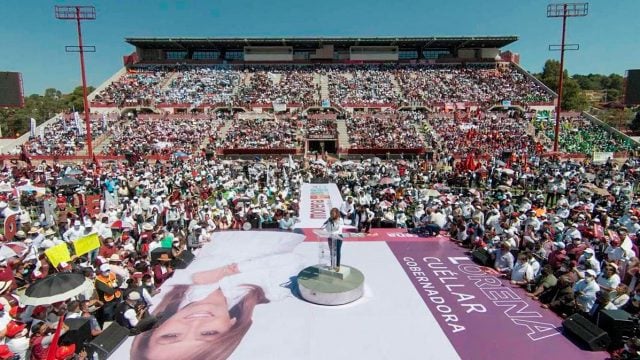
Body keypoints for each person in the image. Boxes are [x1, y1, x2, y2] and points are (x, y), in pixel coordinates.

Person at [130, 231, 307, 360]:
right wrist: (228, 271)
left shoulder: (180, 281)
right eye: (208, 333)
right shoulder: (270, 290)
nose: (195, 324)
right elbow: (293, 260)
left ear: (160, 327)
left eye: (171, 336)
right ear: (232, 325)